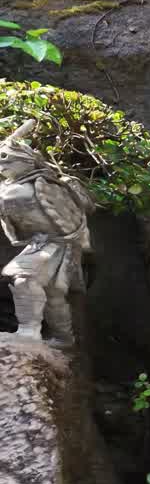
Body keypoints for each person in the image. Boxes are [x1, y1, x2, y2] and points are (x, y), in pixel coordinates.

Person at [0, 120, 95, 346]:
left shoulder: (46, 185)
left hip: (57, 242)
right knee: (53, 294)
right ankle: (64, 338)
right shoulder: (8, 188)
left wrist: (71, 244)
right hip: (38, 243)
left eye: (7, 162)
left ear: (26, 161)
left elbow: (71, 219)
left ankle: (29, 331)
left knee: (24, 279)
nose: (3, 168)